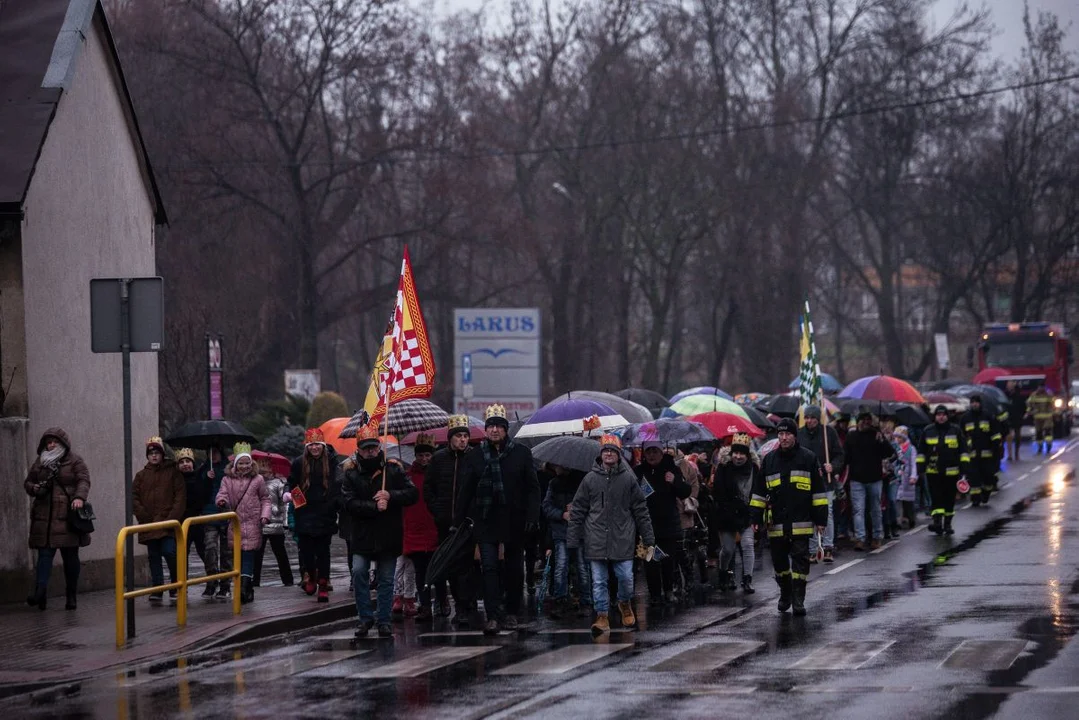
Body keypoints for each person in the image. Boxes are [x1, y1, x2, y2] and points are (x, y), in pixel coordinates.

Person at [455, 404, 541, 635]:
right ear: (486, 429)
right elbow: (466, 490)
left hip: (514, 519)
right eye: (490, 426)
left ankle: (511, 611)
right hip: (485, 520)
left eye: (499, 427)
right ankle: (493, 615)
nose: (494, 430)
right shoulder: (475, 456)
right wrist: (459, 520)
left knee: (514, 568)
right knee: (489, 567)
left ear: (505, 430)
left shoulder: (521, 453)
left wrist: (533, 516)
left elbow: (533, 488)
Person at [567, 435, 655, 635]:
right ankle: (602, 615)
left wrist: (648, 537)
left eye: (612, 451)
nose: (608, 453)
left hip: (623, 537)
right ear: (601, 454)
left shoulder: (628, 478)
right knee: (598, 581)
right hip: (595, 537)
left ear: (619, 455)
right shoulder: (589, 479)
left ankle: (624, 603)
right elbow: (579, 509)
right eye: (605, 450)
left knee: (625, 577)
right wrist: (572, 537)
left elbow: (640, 508)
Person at [342, 425, 418, 638]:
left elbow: (412, 494)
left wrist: (390, 495)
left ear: (379, 447)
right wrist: (374, 506)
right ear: (359, 449)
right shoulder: (351, 473)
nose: (370, 452)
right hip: (362, 535)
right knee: (358, 572)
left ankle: (383, 620)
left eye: (374, 448)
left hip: (388, 534)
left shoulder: (393, 469)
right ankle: (365, 618)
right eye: (366, 448)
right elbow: (348, 502)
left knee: (386, 579)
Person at [753, 417, 827, 616]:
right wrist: (755, 519)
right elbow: (758, 493)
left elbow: (819, 493)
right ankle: (785, 593)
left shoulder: (808, 458)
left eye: (787, 434)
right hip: (776, 524)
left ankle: (798, 599)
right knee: (780, 565)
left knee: (800, 563)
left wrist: (821, 520)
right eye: (781, 434)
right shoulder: (769, 460)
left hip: (801, 523)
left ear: (795, 436)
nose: (784, 438)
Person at [24, 428, 90, 611]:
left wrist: (79, 498)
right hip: (44, 518)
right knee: (44, 556)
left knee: (70, 558)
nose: (51, 445)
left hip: (67, 517)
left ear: (63, 443)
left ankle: (71, 595)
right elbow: (28, 482)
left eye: (55, 442)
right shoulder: (40, 461)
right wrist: (35, 489)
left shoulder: (74, 460)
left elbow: (83, 480)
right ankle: (40, 592)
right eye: (48, 442)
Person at [425, 415, 476, 624]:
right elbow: (428, 488)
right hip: (446, 522)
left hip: (468, 523)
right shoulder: (438, 459)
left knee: (467, 565)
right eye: (458, 436)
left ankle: (467, 604)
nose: (462, 440)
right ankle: (457, 602)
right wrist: (438, 511)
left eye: (465, 436)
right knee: (451, 564)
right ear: (451, 438)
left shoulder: (475, 457)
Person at [635, 441, 692, 604]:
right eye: (648, 452)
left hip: (668, 525)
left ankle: (668, 591)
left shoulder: (672, 469)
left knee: (668, 560)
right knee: (649, 561)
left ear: (661, 452)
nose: (652, 455)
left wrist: (675, 481)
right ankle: (654, 595)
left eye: (655, 451)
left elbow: (685, 492)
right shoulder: (638, 472)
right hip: (646, 525)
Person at [132, 437, 186, 604]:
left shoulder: (173, 472)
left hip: (168, 522)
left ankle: (176, 585)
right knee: (153, 556)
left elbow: (180, 497)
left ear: (162, 455)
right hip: (149, 523)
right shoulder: (141, 475)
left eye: (157, 453)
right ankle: (157, 588)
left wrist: (171, 519)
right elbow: (134, 498)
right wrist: (143, 516)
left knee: (169, 552)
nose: (154, 456)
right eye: (151, 453)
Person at [288, 429, 339, 602]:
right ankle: (311, 575)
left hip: (325, 513)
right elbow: (293, 485)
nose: (315, 448)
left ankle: (323, 583)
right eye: (312, 445)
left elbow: (336, 486)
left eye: (318, 444)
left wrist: (332, 507)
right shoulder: (298, 463)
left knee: (323, 552)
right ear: (307, 446)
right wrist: (299, 507)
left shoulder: (331, 463)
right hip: (305, 513)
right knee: (307, 551)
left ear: (323, 446)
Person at [215, 444, 271, 604]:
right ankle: (247, 587)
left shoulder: (258, 479)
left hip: (253, 523)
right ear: (235, 464)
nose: (244, 466)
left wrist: (265, 516)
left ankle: (245, 588)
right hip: (235, 524)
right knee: (237, 557)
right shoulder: (227, 479)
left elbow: (265, 499)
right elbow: (222, 493)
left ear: (251, 464)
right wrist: (221, 501)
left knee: (248, 556)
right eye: (241, 463)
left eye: (247, 463)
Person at [712, 434, 760, 594]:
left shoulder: (754, 469)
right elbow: (719, 493)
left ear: (747, 455)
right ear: (731, 453)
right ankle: (724, 574)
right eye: (736, 453)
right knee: (728, 549)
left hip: (747, 515)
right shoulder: (723, 468)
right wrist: (731, 511)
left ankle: (747, 579)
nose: (738, 457)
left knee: (747, 545)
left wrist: (755, 514)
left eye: (742, 453)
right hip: (727, 516)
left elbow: (757, 491)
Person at [541, 463, 590, 619]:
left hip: (580, 531)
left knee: (582, 567)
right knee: (561, 566)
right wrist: (562, 514)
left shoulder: (583, 482)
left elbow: (592, 504)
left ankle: (585, 600)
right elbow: (546, 506)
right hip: (561, 531)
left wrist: (577, 508)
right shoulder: (554, 484)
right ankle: (561, 599)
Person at [797, 406, 844, 563]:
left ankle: (828, 546)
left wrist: (833, 466)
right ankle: (811, 549)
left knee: (827, 513)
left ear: (818, 419)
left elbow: (839, 455)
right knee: (809, 514)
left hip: (825, 481)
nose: (809, 421)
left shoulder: (829, 433)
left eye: (812, 418)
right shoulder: (800, 434)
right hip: (806, 480)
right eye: (807, 417)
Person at [843, 411, 896, 550]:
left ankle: (877, 536)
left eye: (868, 419)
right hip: (857, 479)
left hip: (875, 479)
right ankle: (860, 538)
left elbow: (890, 453)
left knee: (875, 509)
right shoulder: (851, 436)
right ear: (858, 421)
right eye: (863, 419)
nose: (865, 422)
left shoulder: (876, 436)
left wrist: (882, 440)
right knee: (858, 510)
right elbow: (845, 457)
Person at [402, 433, 441, 621]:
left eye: (428, 455)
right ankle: (425, 605)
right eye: (421, 456)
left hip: (435, 526)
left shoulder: (438, 474)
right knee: (420, 571)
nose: (424, 459)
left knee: (439, 569)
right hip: (415, 528)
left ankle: (441, 601)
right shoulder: (407, 476)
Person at [918, 405, 969, 535]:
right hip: (933, 471)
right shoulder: (927, 431)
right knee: (936, 498)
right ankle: (937, 523)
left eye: (943, 415)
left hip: (951, 472)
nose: (941, 417)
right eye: (938, 415)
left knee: (949, 499)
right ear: (935, 417)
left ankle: (947, 524)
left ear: (947, 416)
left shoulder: (955, 430)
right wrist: (920, 468)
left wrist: (964, 470)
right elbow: (921, 452)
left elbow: (963, 451)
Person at [253, 456, 294, 587]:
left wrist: (285, 521)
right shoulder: (255, 483)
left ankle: (287, 580)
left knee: (280, 553)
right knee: (257, 555)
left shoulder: (278, 483)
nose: (264, 472)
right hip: (260, 523)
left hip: (275, 523)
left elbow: (284, 503)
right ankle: (255, 580)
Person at [199, 445, 233, 599]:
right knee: (210, 548)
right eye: (210, 453)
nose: (213, 456)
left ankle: (225, 585)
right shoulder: (204, 469)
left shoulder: (229, 470)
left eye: (215, 452)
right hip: (209, 514)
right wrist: (206, 478)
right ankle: (211, 580)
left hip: (226, 514)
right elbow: (199, 491)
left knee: (226, 552)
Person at [960, 395, 1004, 507]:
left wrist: (996, 449)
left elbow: (995, 434)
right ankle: (975, 499)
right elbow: (962, 437)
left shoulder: (988, 416)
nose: (974, 404)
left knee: (989, 478)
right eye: (972, 402)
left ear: (980, 403)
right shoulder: (965, 418)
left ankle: (986, 492)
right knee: (974, 478)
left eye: (976, 402)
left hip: (987, 455)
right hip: (972, 456)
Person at [176, 448, 209, 576]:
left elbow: (204, 495)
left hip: (198, 520)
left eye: (188, 461)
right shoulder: (176, 481)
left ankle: (212, 580)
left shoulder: (200, 476)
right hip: (182, 522)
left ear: (192, 463)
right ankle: (183, 584)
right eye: (182, 462)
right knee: (183, 553)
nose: (185, 464)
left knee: (204, 552)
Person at [892, 426, 919, 528]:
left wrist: (913, 476)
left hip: (907, 477)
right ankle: (898, 519)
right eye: (896, 437)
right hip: (897, 476)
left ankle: (911, 518)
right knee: (897, 499)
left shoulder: (911, 449)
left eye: (899, 437)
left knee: (908, 500)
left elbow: (913, 463)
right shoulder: (894, 448)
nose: (897, 440)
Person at [1027, 384, 1055, 455]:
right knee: (1038, 433)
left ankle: (1048, 446)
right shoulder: (1034, 395)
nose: (1040, 388)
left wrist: (1052, 411)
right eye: (1039, 387)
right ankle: (1040, 447)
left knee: (1047, 432)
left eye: (1042, 387)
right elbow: (1029, 404)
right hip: (1038, 417)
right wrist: (1030, 411)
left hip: (1047, 417)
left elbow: (1053, 403)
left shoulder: (1048, 394)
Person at [1005, 381, 1026, 462]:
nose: (1009, 388)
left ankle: (1017, 453)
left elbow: (1023, 407)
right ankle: (1010, 455)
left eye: (1010, 386)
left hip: (1017, 418)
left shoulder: (1019, 396)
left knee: (1017, 437)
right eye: (1008, 386)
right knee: (1009, 436)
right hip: (1008, 418)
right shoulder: (1005, 396)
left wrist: (1022, 415)